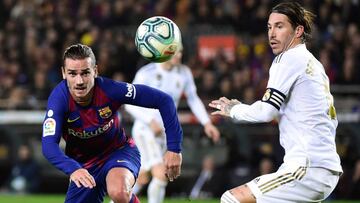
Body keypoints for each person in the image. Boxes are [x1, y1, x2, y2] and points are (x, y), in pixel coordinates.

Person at [209, 2, 343, 203]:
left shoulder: (288, 58)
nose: (272, 34)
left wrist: (234, 109)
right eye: (269, 27)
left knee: (232, 199)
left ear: (298, 31)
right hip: (322, 166)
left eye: (279, 26)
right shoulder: (314, 63)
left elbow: (266, 112)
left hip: (307, 167)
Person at [41, 43, 183, 203]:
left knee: (119, 192)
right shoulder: (59, 100)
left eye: (85, 73)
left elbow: (164, 100)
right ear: (63, 73)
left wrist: (174, 148)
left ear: (95, 71)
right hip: (84, 165)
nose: (79, 81)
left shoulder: (111, 90)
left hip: (118, 152)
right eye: (72, 74)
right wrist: (73, 169)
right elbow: (48, 145)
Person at [123, 48, 220, 203]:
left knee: (142, 176)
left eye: (181, 51)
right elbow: (129, 104)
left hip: (163, 133)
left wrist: (207, 123)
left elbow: (193, 99)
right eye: (175, 52)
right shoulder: (146, 73)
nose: (179, 55)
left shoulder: (184, 73)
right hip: (146, 130)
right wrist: (150, 120)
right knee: (161, 174)